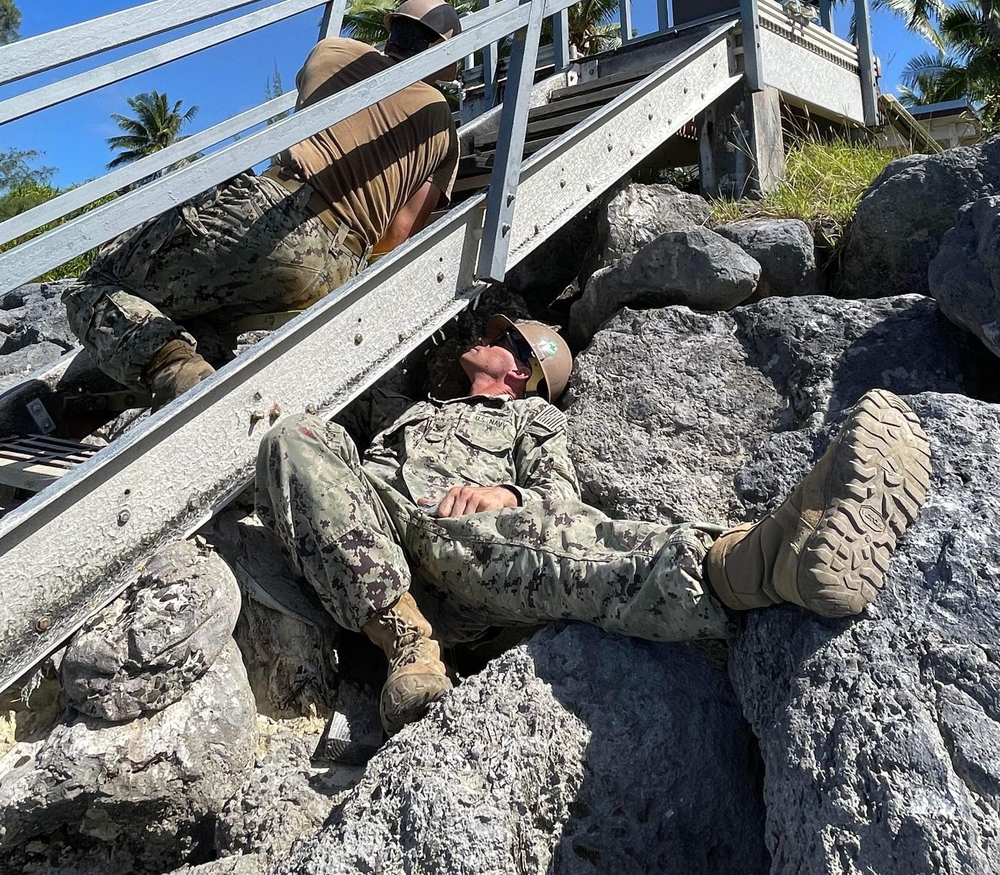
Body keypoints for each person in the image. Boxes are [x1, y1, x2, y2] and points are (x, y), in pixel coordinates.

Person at [255, 313, 931, 738]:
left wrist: (503, 490)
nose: (484, 337)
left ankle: (753, 561)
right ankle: (407, 642)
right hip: (365, 550)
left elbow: (558, 494)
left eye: (501, 338)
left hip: (465, 553)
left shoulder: (531, 418)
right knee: (293, 434)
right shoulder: (408, 408)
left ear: (520, 368)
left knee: (530, 530)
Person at [64, 0, 463, 407]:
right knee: (211, 316)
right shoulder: (442, 126)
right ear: (446, 55)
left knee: (95, 285)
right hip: (339, 266)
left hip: (275, 213)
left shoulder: (334, 52)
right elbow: (397, 234)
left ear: (390, 29)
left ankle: (178, 375)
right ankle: (205, 380)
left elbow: (317, 85)